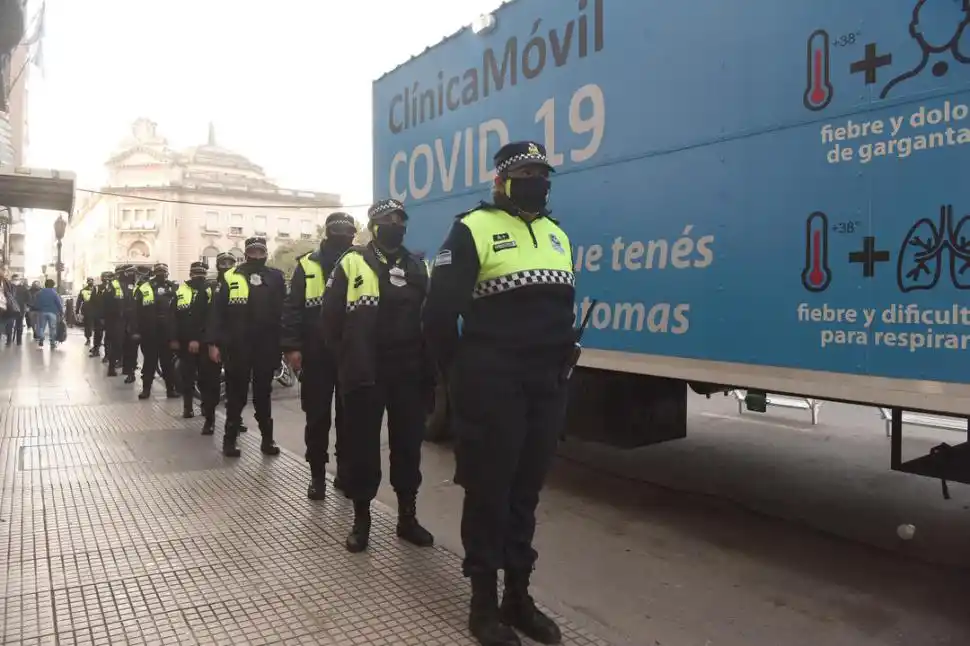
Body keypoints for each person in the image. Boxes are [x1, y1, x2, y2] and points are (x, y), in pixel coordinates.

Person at [423, 141, 574, 646]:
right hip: (492, 386)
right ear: (500, 181)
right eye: (524, 172)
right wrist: (460, 374)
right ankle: (483, 605)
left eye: (541, 172)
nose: (535, 180)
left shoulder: (557, 234)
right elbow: (438, 316)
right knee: (489, 493)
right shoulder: (472, 229)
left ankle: (518, 598)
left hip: (545, 388)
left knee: (524, 496)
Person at [320, 198, 435, 553]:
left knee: (407, 447)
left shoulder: (418, 265)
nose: (396, 224)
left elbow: (429, 317)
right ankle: (361, 520)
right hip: (366, 372)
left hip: (408, 372)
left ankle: (407, 518)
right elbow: (330, 320)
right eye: (388, 219)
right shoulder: (352, 261)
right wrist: (348, 359)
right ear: (374, 224)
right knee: (362, 448)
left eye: (400, 219)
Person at [282, 212, 356, 500]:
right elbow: (292, 310)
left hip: (350, 353)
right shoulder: (307, 265)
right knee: (317, 418)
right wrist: (292, 348)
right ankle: (317, 476)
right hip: (316, 354)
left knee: (349, 418)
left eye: (350, 232)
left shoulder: (361, 261)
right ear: (328, 232)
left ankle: (344, 472)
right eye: (341, 232)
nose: (346, 237)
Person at [207, 237, 285, 457]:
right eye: (253, 251)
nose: (257, 255)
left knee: (263, 395)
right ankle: (229, 441)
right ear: (247, 252)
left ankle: (267, 441)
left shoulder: (276, 277)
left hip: (266, 346)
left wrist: (286, 343)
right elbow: (217, 313)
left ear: (266, 253)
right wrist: (213, 343)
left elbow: (284, 312)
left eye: (261, 251)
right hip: (237, 346)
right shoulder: (231, 276)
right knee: (236, 395)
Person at [172, 261, 219, 434]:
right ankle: (188, 407)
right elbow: (174, 317)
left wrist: (197, 339)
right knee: (187, 377)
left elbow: (208, 319)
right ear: (190, 274)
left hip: (204, 343)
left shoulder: (209, 291)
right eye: (195, 273)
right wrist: (174, 339)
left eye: (201, 273)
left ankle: (207, 411)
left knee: (206, 380)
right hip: (185, 344)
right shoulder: (180, 291)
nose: (198, 276)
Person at [133, 263, 178, 399]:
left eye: (163, 271)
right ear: (154, 273)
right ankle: (146, 389)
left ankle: (170, 389)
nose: (161, 274)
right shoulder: (144, 288)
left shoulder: (173, 288)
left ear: (167, 273)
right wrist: (135, 331)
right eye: (158, 271)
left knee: (167, 363)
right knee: (149, 363)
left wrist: (176, 335)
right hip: (149, 332)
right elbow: (136, 312)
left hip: (167, 332)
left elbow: (177, 312)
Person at [104, 265, 138, 380]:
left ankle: (128, 371)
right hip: (117, 319)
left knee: (130, 345)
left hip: (131, 319)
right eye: (131, 272)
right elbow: (107, 303)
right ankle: (112, 367)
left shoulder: (134, 285)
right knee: (117, 344)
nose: (134, 275)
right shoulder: (114, 285)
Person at [32, 279, 64, 349]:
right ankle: (52, 343)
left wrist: (38, 309)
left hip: (42, 312)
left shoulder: (39, 293)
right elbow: (59, 304)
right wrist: (61, 312)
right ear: (53, 285)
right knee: (52, 328)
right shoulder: (54, 293)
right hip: (53, 313)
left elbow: (36, 304)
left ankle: (41, 338)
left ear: (45, 284)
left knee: (41, 327)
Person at [90, 272, 111, 358]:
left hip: (99, 315)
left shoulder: (97, 288)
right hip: (108, 315)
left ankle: (96, 351)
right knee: (108, 336)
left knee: (98, 334)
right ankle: (107, 355)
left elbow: (92, 302)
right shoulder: (112, 288)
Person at [0, 267, 21, 343]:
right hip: (5, 306)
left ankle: (8, 338)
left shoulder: (7, 282)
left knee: (7, 323)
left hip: (5, 306)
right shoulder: (8, 282)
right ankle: (8, 338)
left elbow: (12, 295)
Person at [75, 277, 97, 346]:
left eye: (91, 281)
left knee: (97, 326)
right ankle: (88, 339)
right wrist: (77, 311)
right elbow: (79, 301)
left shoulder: (97, 289)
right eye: (89, 281)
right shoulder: (83, 290)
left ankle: (97, 341)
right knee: (87, 326)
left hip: (95, 310)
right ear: (87, 282)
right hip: (87, 310)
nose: (90, 282)